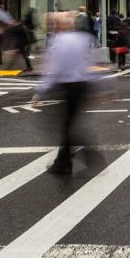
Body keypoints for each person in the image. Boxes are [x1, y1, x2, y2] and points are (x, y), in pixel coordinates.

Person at [35, 12, 103, 174]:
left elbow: (54, 67)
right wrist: (103, 87)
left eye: (53, 24)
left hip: (69, 87)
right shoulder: (82, 39)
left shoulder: (59, 42)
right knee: (67, 125)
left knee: (66, 127)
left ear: (58, 26)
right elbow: (90, 63)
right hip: (83, 86)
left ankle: (92, 159)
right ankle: (63, 162)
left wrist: (40, 91)